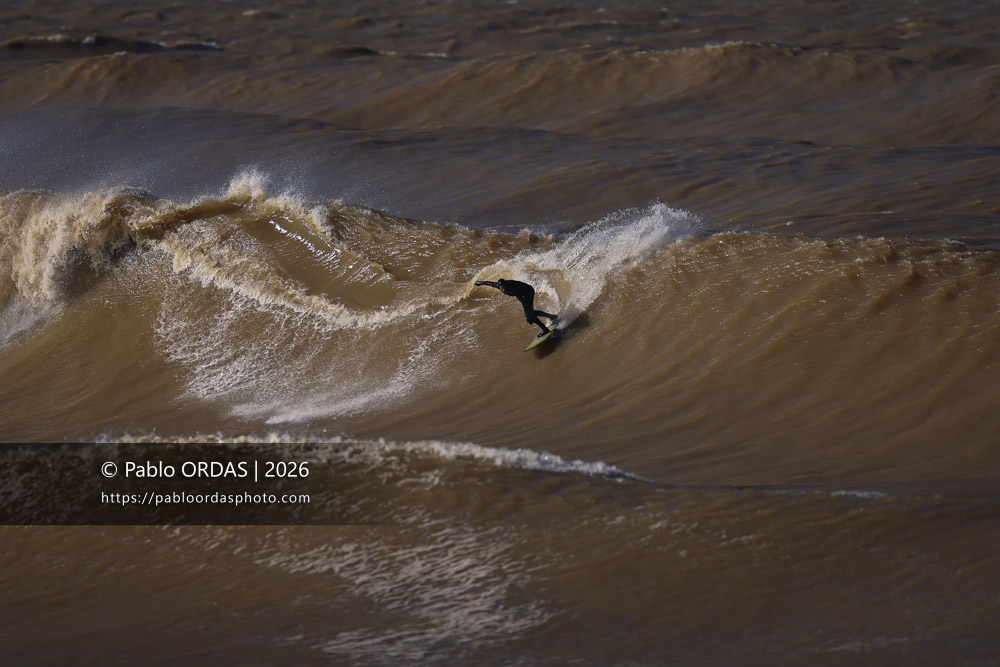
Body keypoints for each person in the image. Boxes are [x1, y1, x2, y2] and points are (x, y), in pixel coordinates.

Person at [475, 278, 558, 337]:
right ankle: (552, 317)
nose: (503, 289)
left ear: (506, 285)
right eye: (501, 288)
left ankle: (545, 329)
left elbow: (521, 298)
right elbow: (490, 283)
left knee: (529, 316)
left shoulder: (512, 286)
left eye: (504, 287)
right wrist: (480, 283)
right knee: (530, 314)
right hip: (522, 294)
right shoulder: (499, 286)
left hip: (528, 292)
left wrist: (527, 313)